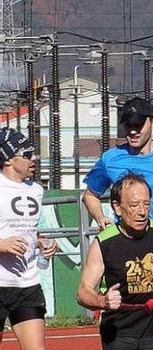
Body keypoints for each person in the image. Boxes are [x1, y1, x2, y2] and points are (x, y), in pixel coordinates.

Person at [76, 173, 153, 350]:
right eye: (134, 205)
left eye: (146, 204)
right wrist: (103, 301)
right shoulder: (104, 243)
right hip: (118, 331)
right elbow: (83, 292)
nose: (142, 212)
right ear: (117, 207)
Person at [81, 97, 153, 250]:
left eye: (138, 125)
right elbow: (90, 195)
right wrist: (100, 217)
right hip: (126, 246)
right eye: (128, 125)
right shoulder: (110, 159)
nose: (132, 131)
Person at [0, 128, 57, 350]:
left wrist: (40, 241)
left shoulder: (35, 190)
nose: (33, 158)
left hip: (27, 284)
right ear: (8, 159)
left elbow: (29, 228)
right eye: (26, 153)